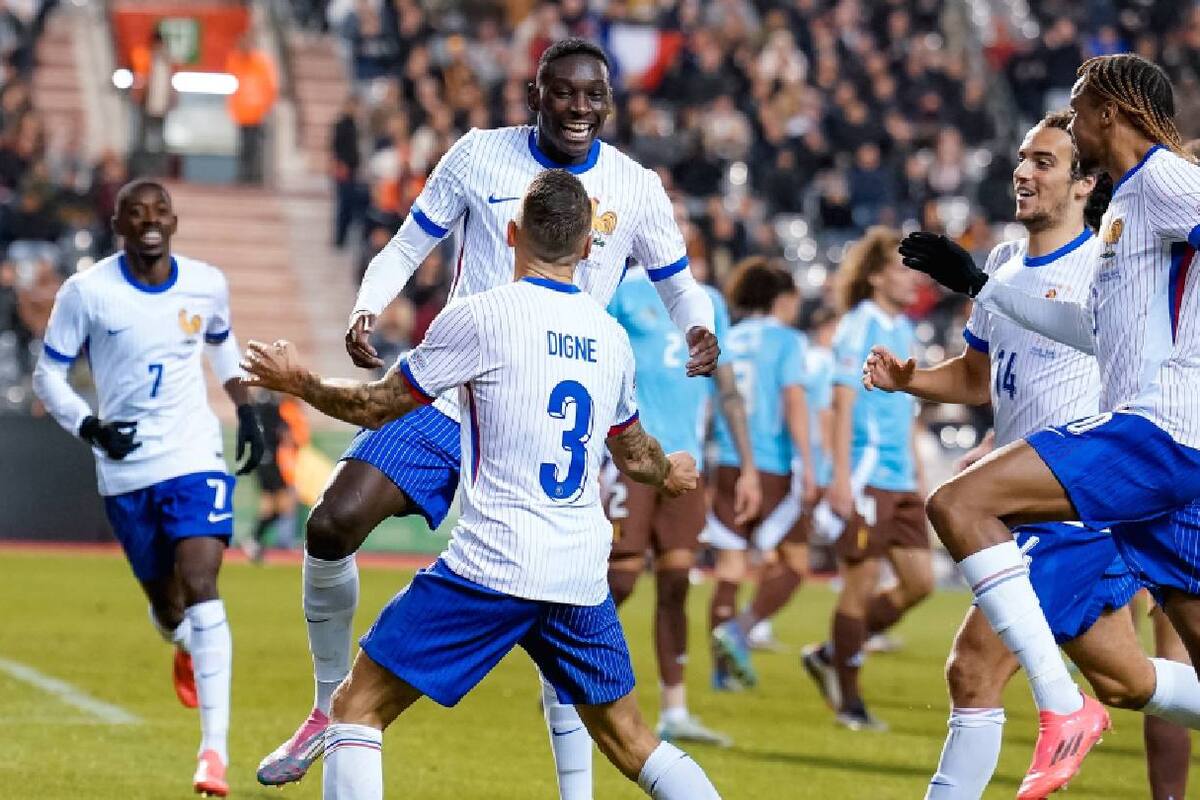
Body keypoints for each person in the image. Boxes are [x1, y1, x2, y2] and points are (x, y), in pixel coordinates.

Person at [257, 39, 721, 797]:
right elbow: (409, 244)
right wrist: (369, 304)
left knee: (541, 593)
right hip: (453, 385)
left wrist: (698, 327)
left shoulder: (634, 187)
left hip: (535, 393)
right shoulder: (478, 156)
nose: (578, 108)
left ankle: (367, 720)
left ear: (609, 102)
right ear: (535, 95)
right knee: (332, 523)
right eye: (563, 94)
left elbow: (679, 284)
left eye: (591, 96)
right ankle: (325, 707)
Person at [868, 112, 1200, 799]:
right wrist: (913, 381)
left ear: (1085, 183)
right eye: (1023, 157)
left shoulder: (1109, 259)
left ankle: (1058, 717)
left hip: (1079, 507)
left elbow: (1108, 349)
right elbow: (975, 378)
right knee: (1127, 679)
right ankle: (1080, 707)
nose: (1023, 171)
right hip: (1021, 503)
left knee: (972, 670)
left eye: (1045, 161)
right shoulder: (1004, 265)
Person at [30, 179, 265, 797]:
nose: (150, 223)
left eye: (160, 213)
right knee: (168, 609)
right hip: (127, 468)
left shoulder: (206, 283)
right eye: (136, 215)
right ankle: (182, 643)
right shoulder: (88, 293)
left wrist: (246, 409)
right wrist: (91, 427)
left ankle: (212, 755)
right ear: (119, 227)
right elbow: (48, 375)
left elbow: (221, 344)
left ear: (175, 221)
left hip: (192, 452)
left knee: (203, 582)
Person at [604, 261, 758, 747]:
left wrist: (747, 467)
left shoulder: (707, 301)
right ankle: (565, 673)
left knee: (676, 584)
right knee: (621, 577)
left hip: (685, 465)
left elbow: (726, 388)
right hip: (631, 458)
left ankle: (675, 710)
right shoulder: (620, 291)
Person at [800, 227, 931, 731]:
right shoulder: (860, 325)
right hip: (867, 475)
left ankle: (832, 653)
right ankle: (849, 704)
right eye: (902, 269)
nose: (912, 278)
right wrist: (839, 479)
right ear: (877, 276)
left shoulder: (903, 329)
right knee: (860, 583)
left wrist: (919, 476)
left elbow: (909, 413)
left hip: (900, 480)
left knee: (919, 583)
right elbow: (842, 401)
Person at [706, 258, 816, 690]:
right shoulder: (788, 341)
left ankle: (721, 672)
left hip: (728, 460)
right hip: (770, 464)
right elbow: (793, 401)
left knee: (730, 564)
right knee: (795, 564)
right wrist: (807, 461)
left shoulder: (728, 337)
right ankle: (742, 628)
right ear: (782, 300)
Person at [225, 32, 278, 184]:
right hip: (242, 113)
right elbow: (233, 88)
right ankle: (244, 176)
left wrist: (265, 107)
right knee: (244, 147)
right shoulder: (236, 61)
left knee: (254, 147)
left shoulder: (261, 63)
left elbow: (269, 87)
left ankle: (254, 176)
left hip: (257, 113)